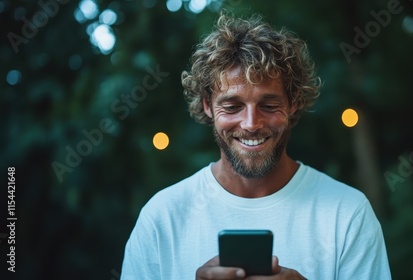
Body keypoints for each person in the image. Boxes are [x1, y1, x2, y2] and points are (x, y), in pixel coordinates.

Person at [121, 12, 391, 280]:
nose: (251, 123)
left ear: (293, 102)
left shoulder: (347, 213)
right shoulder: (162, 218)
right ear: (208, 105)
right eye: (232, 106)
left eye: (269, 105)